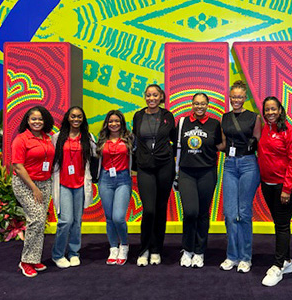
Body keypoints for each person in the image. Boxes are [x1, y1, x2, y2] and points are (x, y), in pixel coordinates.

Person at [258, 96, 292, 286]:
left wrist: (287, 189)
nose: (270, 113)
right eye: (267, 109)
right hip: (267, 184)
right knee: (279, 223)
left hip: (285, 186)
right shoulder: (265, 129)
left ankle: (278, 266)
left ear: (280, 110)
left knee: (282, 225)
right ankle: (287, 261)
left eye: (273, 109)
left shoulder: (290, 132)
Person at [178, 93, 224, 268]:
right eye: (196, 103)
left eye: (203, 104)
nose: (199, 106)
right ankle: (187, 249)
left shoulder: (214, 124)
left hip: (207, 172)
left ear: (208, 105)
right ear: (192, 104)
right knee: (190, 212)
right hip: (186, 173)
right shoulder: (182, 123)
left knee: (203, 213)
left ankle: (199, 251)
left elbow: (220, 145)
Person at [219, 80, 261, 273]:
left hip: (248, 165)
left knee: (243, 213)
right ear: (230, 97)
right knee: (229, 214)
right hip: (229, 165)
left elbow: (259, 143)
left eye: (240, 97)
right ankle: (231, 256)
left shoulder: (254, 117)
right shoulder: (224, 117)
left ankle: (245, 257)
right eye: (233, 96)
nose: (236, 99)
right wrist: (199, 145)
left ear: (245, 98)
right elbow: (222, 144)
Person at [133, 84, 176, 266]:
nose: (151, 98)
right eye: (148, 95)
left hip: (165, 166)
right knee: (149, 210)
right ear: (145, 97)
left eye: (155, 95)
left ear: (161, 97)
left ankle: (157, 249)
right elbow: (136, 140)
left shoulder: (167, 116)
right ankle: (144, 249)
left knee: (160, 209)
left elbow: (173, 138)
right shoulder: (138, 116)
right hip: (145, 168)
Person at [11, 106, 55, 277]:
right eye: (33, 119)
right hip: (26, 184)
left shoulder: (47, 138)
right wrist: (34, 188)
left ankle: (34, 257)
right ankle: (25, 261)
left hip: (45, 183)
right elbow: (18, 166)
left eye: (40, 119)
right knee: (36, 218)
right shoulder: (21, 140)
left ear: (45, 121)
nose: (37, 122)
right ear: (27, 121)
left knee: (39, 220)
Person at [51, 106, 96, 268]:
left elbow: (96, 157)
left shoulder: (88, 138)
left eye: (79, 117)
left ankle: (74, 252)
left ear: (83, 119)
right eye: (73, 116)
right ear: (67, 118)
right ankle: (57, 254)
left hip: (80, 184)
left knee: (77, 221)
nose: (76, 119)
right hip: (63, 184)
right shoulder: (57, 138)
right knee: (65, 221)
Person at [96, 110, 134, 265]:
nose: (114, 124)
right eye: (111, 121)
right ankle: (113, 247)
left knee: (119, 217)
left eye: (117, 121)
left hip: (123, 179)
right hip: (105, 179)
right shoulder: (101, 140)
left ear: (121, 123)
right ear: (107, 123)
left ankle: (124, 244)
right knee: (110, 217)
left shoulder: (129, 138)